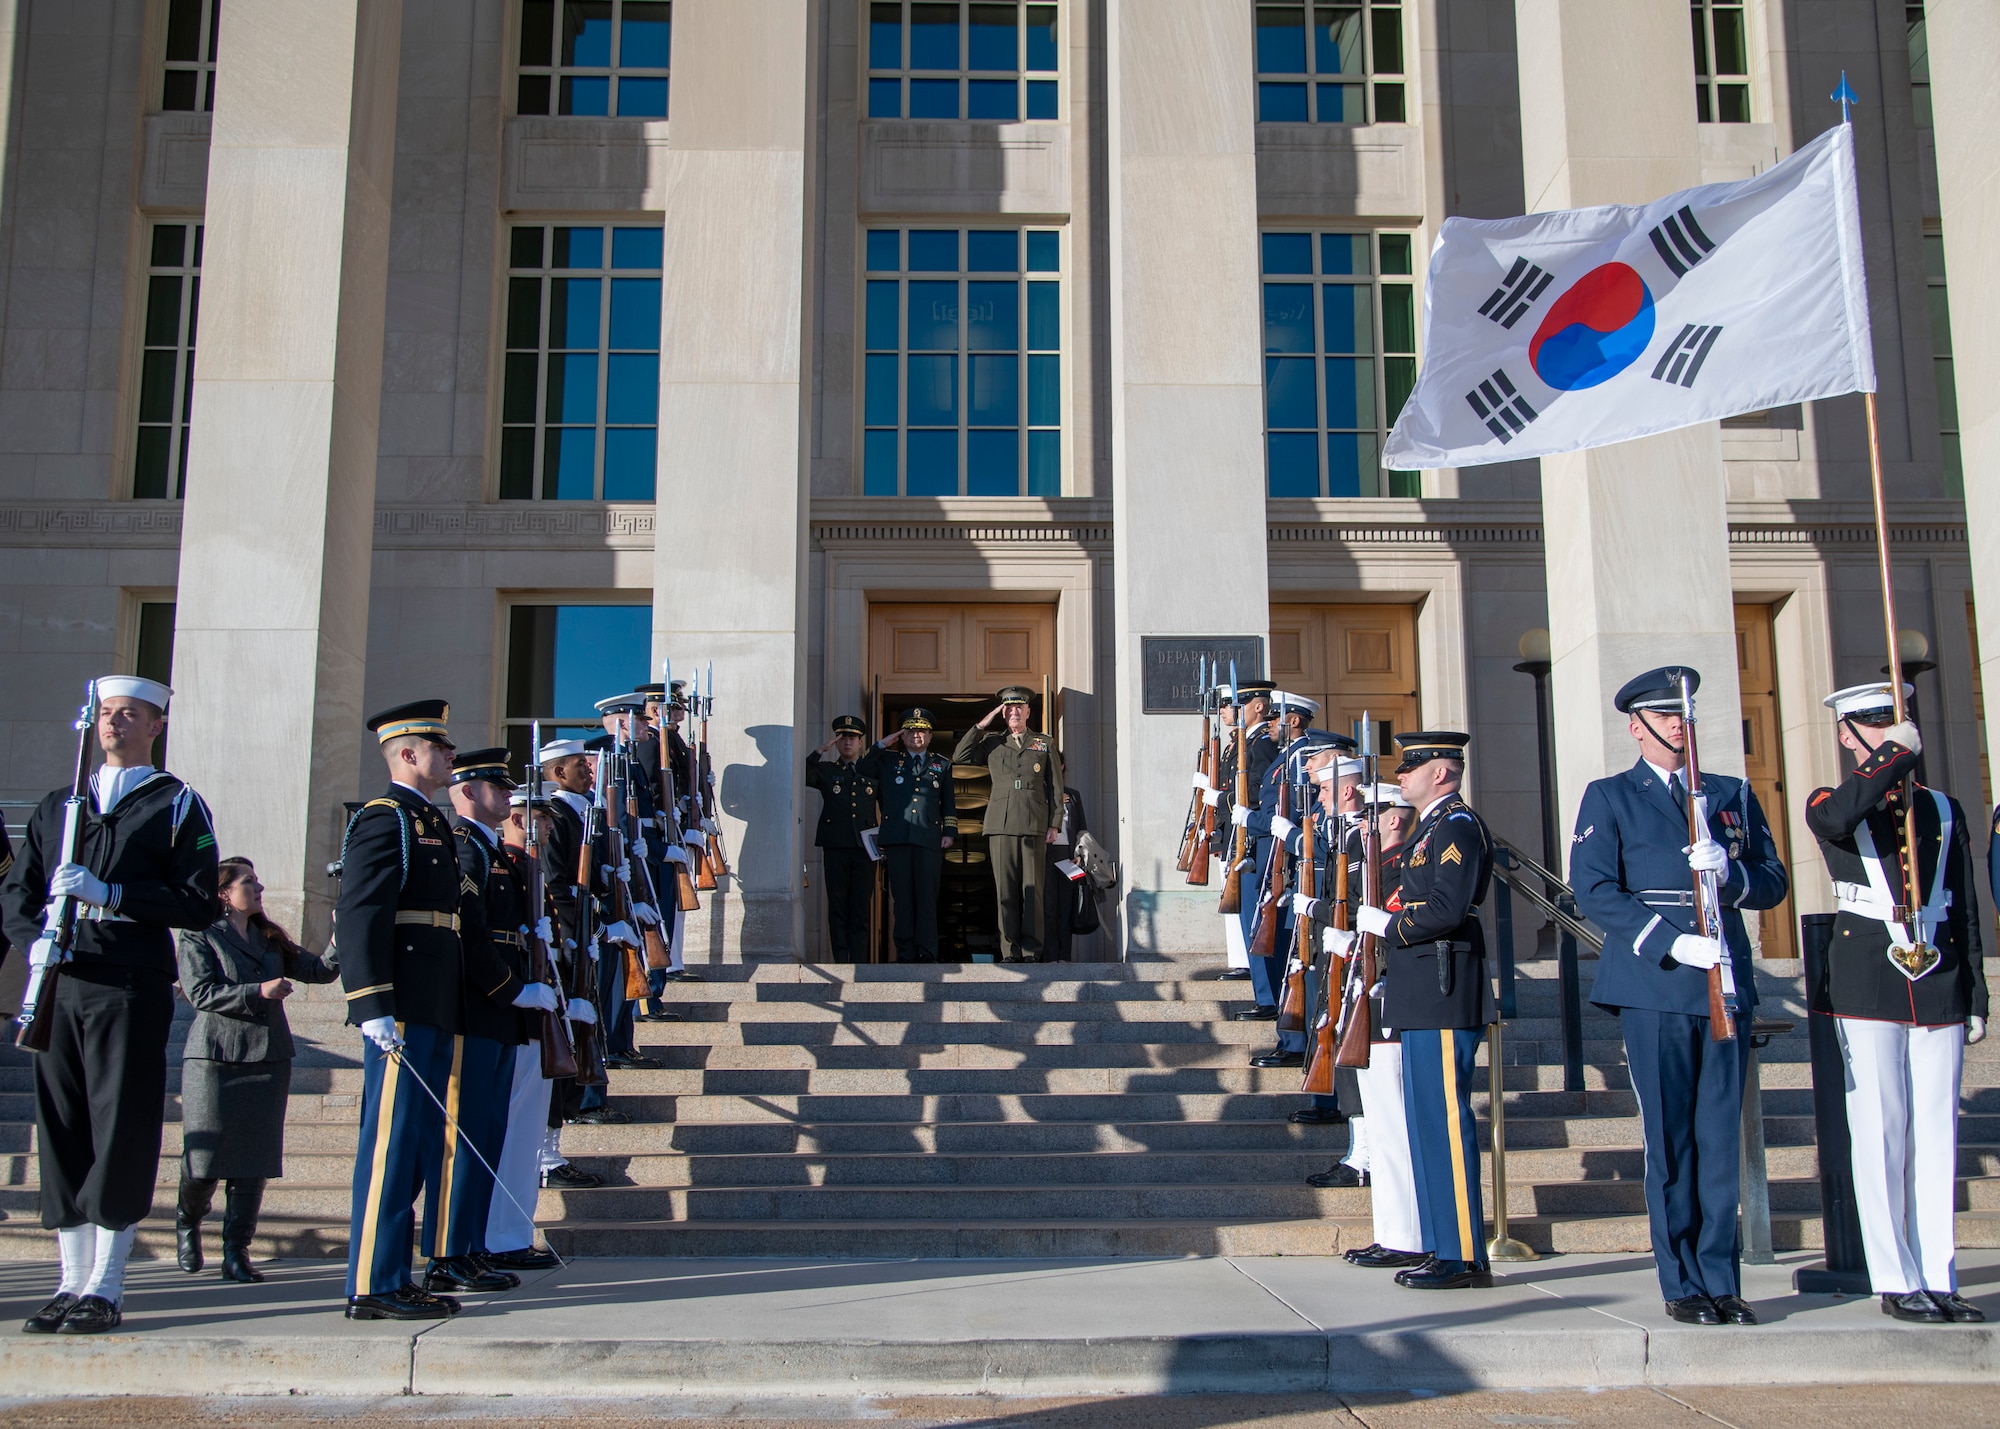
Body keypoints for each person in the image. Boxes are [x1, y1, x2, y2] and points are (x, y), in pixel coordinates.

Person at [1569, 667, 1789, 1326]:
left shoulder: (1729, 793)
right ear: (1636, 726)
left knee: (1719, 1138)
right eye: (1662, 716)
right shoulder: (1612, 796)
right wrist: (1668, 940)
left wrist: (1734, 873)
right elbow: (1595, 888)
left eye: (1682, 714)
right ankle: (1682, 1279)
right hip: (1656, 985)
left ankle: (1722, 1277)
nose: (1675, 724)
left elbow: (1774, 879)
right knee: (1671, 1140)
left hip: (1723, 982)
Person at [2, 675, 220, 1334]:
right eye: (104, 713)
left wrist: (112, 893)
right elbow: (18, 891)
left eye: (129, 714)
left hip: (128, 982)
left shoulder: (177, 805)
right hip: (61, 981)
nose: (112, 723)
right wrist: (33, 941)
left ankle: (108, 1281)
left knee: (119, 1124)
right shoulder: (60, 804)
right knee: (63, 1127)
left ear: (156, 725)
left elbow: (198, 900)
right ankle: (70, 1279)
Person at [1804, 682, 1987, 1324]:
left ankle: (1938, 1272)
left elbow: (1962, 906)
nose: (1887, 733)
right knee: (1882, 1129)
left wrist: (1976, 993)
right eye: (1874, 726)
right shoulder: (1835, 798)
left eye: (1896, 723)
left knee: (1937, 1130)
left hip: (1936, 975)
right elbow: (1835, 822)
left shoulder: (1942, 808)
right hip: (1867, 978)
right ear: (1850, 735)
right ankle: (1893, 1274)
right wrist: (1889, 759)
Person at [334, 698, 470, 1321]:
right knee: (390, 1145)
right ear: (409, 755)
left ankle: (395, 1273)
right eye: (440, 749)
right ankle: (372, 1283)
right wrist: (371, 1005)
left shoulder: (431, 821)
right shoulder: (384, 818)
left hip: (435, 1001)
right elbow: (360, 913)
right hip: (403, 1006)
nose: (450, 756)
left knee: (414, 1144)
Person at [1352, 731, 1494, 1290]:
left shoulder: (1456, 826)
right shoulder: (1430, 828)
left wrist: (1386, 925)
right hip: (1421, 989)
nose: (1401, 776)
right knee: (1428, 1125)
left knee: (1446, 1125)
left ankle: (1461, 1253)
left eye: (1412, 767)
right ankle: (1444, 1245)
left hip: (1442, 987)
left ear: (1442, 773)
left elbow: (1446, 908)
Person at [426, 748, 563, 1294]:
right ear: (465, 793)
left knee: (491, 1132)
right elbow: (470, 934)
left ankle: (473, 1246)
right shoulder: (465, 851)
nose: (508, 798)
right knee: (470, 1137)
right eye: (496, 787)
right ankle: (452, 1251)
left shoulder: (495, 855)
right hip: (483, 1006)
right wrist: (512, 992)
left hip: (502, 1010)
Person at [173, 856, 338, 1283]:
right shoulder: (200, 935)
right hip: (215, 1057)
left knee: (253, 1159)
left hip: (267, 1057)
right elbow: (201, 992)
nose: (259, 887)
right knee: (204, 1157)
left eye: (258, 880)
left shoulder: (268, 938)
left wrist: (343, 935)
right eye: (249, 882)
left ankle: (236, 1250)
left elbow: (318, 971)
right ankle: (187, 1223)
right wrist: (258, 990)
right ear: (224, 893)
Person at [1313, 784, 1427, 1273]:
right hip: (1367, 992)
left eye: (1371, 816)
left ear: (1395, 819)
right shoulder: (1376, 865)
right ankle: (1393, 1234)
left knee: (1395, 1127)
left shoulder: (1404, 865)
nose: (1362, 823)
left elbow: (1396, 920)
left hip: (1388, 1001)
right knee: (1382, 1127)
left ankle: (1407, 1236)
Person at [502, 788, 600, 1202]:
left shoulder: (531, 866)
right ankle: (541, 1159)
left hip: (551, 985)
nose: (547, 825)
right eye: (540, 819)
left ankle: (549, 1155)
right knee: (533, 1083)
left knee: (558, 1078)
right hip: (523, 995)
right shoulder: (507, 866)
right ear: (521, 820)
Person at [538, 738, 620, 1126]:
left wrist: (610, 879)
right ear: (558, 773)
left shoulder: (585, 811)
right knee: (582, 1019)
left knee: (595, 1015)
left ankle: (591, 1095)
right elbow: (558, 885)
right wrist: (596, 927)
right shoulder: (557, 814)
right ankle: (584, 1101)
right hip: (576, 934)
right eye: (579, 766)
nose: (589, 771)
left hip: (589, 929)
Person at [954, 688, 1064, 963]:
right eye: (1008, 709)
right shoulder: (992, 743)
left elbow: (1055, 786)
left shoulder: (1043, 743)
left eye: (1019, 708)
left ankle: (1031, 950)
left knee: (1033, 890)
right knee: (1005, 892)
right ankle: (1009, 951)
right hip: (1000, 823)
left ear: (1028, 712)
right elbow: (960, 756)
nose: (1014, 713)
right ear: (1003, 713)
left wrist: (1055, 823)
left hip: (1033, 822)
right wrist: (982, 724)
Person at [860, 709, 957, 963]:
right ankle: (905, 953)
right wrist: (882, 744)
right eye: (911, 731)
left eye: (921, 731)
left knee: (926, 898)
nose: (916, 736)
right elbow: (862, 768)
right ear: (903, 736)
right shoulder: (888, 761)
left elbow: (948, 803)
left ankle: (927, 951)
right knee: (902, 900)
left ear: (930, 735)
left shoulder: (942, 764)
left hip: (929, 839)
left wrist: (949, 832)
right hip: (898, 838)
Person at [806, 716, 879, 962]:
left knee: (860, 906)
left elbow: (888, 805)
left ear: (860, 742)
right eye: (843, 738)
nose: (848, 742)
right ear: (837, 742)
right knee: (837, 904)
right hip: (836, 845)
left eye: (853, 738)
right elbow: (802, 776)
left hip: (865, 848)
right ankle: (841, 959)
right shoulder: (827, 770)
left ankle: (859, 961)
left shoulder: (872, 771)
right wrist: (819, 751)